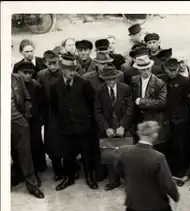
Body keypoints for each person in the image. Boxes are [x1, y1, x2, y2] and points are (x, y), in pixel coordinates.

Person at [50, 53, 99, 191]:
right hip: (65, 127)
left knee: (86, 153)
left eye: (74, 69)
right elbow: (53, 107)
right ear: (62, 69)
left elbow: (91, 104)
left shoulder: (84, 83)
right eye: (69, 69)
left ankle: (90, 177)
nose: (72, 72)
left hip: (83, 126)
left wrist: (89, 122)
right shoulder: (55, 86)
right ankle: (69, 178)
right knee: (67, 154)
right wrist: (59, 124)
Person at [94, 66, 133, 191]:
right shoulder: (99, 91)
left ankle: (129, 181)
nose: (111, 82)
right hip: (108, 128)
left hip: (123, 127)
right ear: (104, 79)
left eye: (112, 79)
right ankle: (113, 180)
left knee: (126, 155)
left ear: (116, 77)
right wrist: (106, 128)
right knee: (110, 155)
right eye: (108, 79)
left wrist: (123, 125)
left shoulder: (125, 89)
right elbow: (97, 111)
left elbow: (130, 109)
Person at [157, 58, 190, 185]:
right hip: (164, 119)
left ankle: (179, 175)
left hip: (180, 120)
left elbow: (189, 103)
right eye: (169, 70)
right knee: (165, 147)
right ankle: (167, 174)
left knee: (179, 147)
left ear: (178, 68)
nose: (172, 72)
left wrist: (186, 120)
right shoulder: (160, 80)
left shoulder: (185, 81)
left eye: (174, 70)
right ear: (165, 69)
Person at [11, 72, 45, 199]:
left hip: (18, 119)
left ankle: (33, 186)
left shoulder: (16, 78)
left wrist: (25, 116)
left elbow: (27, 98)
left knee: (25, 153)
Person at [128, 52, 168, 155]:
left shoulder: (159, 83)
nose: (146, 71)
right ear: (138, 69)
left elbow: (162, 102)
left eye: (148, 68)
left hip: (153, 120)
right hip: (139, 121)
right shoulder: (134, 80)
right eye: (143, 69)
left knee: (154, 151)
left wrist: (142, 101)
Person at [36, 50, 65, 181]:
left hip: (64, 113)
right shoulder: (41, 75)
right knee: (52, 142)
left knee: (66, 140)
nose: (53, 66)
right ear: (45, 63)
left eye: (55, 63)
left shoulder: (64, 73)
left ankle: (70, 166)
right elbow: (38, 94)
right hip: (48, 114)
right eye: (49, 64)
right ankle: (57, 169)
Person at [16, 61, 47, 174]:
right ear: (18, 72)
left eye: (30, 73)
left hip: (34, 120)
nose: (28, 75)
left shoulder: (36, 85)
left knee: (36, 142)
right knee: (20, 145)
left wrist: (40, 120)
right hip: (19, 120)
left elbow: (43, 104)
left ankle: (39, 166)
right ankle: (20, 169)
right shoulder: (13, 85)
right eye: (25, 73)